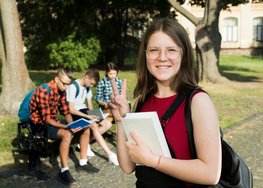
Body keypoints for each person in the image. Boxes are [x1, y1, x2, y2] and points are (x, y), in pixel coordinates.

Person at [109, 18, 222, 187]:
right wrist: (120, 120)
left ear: (183, 55)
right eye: (154, 50)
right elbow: (127, 167)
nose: (162, 58)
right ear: (145, 54)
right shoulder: (143, 100)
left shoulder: (198, 101)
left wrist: (153, 160)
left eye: (171, 50)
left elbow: (211, 174)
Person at [29, 68, 99, 185]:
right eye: (64, 84)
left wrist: (72, 124)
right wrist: (68, 128)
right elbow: (47, 120)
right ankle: (64, 170)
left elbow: (66, 112)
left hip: (52, 121)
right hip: (39, 124)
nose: (66, 87)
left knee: (85, 126)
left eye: (68, 84)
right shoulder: (43, 90)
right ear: (56, 79)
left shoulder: (60, 91)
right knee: (67, 134)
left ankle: (83, 162)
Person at [66, 68, 119, 166]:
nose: (91, 86)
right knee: (94, 125)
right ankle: (110, 154)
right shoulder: (73, 87)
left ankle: (85, 144)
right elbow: (72, 109)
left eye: (93, 85)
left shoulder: (87, 87)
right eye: (91, 83)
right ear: (86, 77)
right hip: (76, 113)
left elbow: (89, 105)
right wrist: (88, 117)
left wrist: (94, 114)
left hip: (85, 111)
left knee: (107, 123)